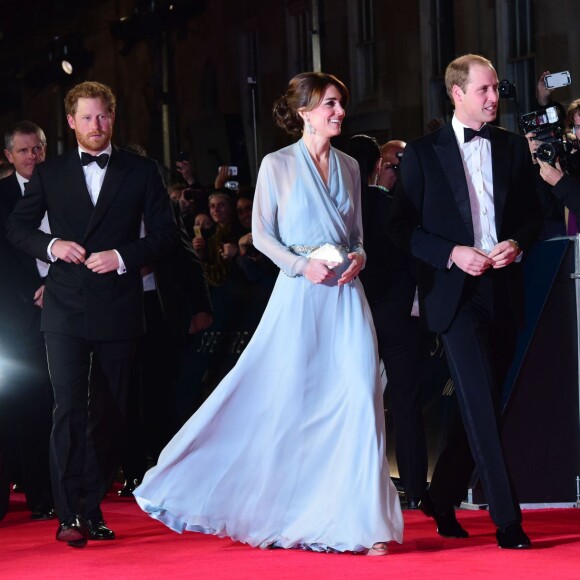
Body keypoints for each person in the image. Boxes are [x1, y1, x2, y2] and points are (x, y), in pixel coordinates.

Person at [134, 72, 403, 555]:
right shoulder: (277, 165)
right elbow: (262, 235)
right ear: (303, 111)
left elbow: (358, 236)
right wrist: (303, 266)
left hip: (346, 296)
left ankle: (362, 522)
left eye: (340, 103)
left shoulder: (347, 166)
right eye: (328, 104)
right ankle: (290, 509)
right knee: (291, 402)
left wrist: (358, 258)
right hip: (300, 296)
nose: (338, 111)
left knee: (360, 397)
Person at [7, 81, 177, 547]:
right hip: (63, 307)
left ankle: (91, 506)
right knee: (68, 409)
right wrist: (52, 245)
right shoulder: (51, 172)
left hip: (119, 306)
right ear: (71, 122)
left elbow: (166, 235)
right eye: (87, 118)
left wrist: (122, 256)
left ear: (113, 118)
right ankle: (69, 515)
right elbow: (18, 226)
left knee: (112, 412)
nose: (96, 125)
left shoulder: (141, 171)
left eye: (103, 117)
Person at [387, 54, 542, 549]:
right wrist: (451, 253)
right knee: (476, 399)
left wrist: (516, 244)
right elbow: (401, 227)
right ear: (457, 93)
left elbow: (533, 218)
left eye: (497, 89)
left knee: (485, 406)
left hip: (503, 289)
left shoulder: (514, 149)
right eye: (485, 90)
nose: (495, 98)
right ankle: (507, 518)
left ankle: (442, 492)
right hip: (453, 294)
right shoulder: (423, 154)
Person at [346, 135, 429, 509]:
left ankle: (359, 489)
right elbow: (413, 257)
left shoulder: (340, 211)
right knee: (407, 401)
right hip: (396, 313)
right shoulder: (390, 205)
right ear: (376, 167)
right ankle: (416, 490)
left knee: (355, 401)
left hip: (352, 312)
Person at [0, 120, 55, 521]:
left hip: (65, 306)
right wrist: (31, 292)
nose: (32, 157)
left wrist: (54, 284)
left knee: (53, 405)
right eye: (23, 151)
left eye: (37, 148)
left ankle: (48, 495)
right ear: (9, 157)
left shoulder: (66, 186)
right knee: (13, 406)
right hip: (14, 317)